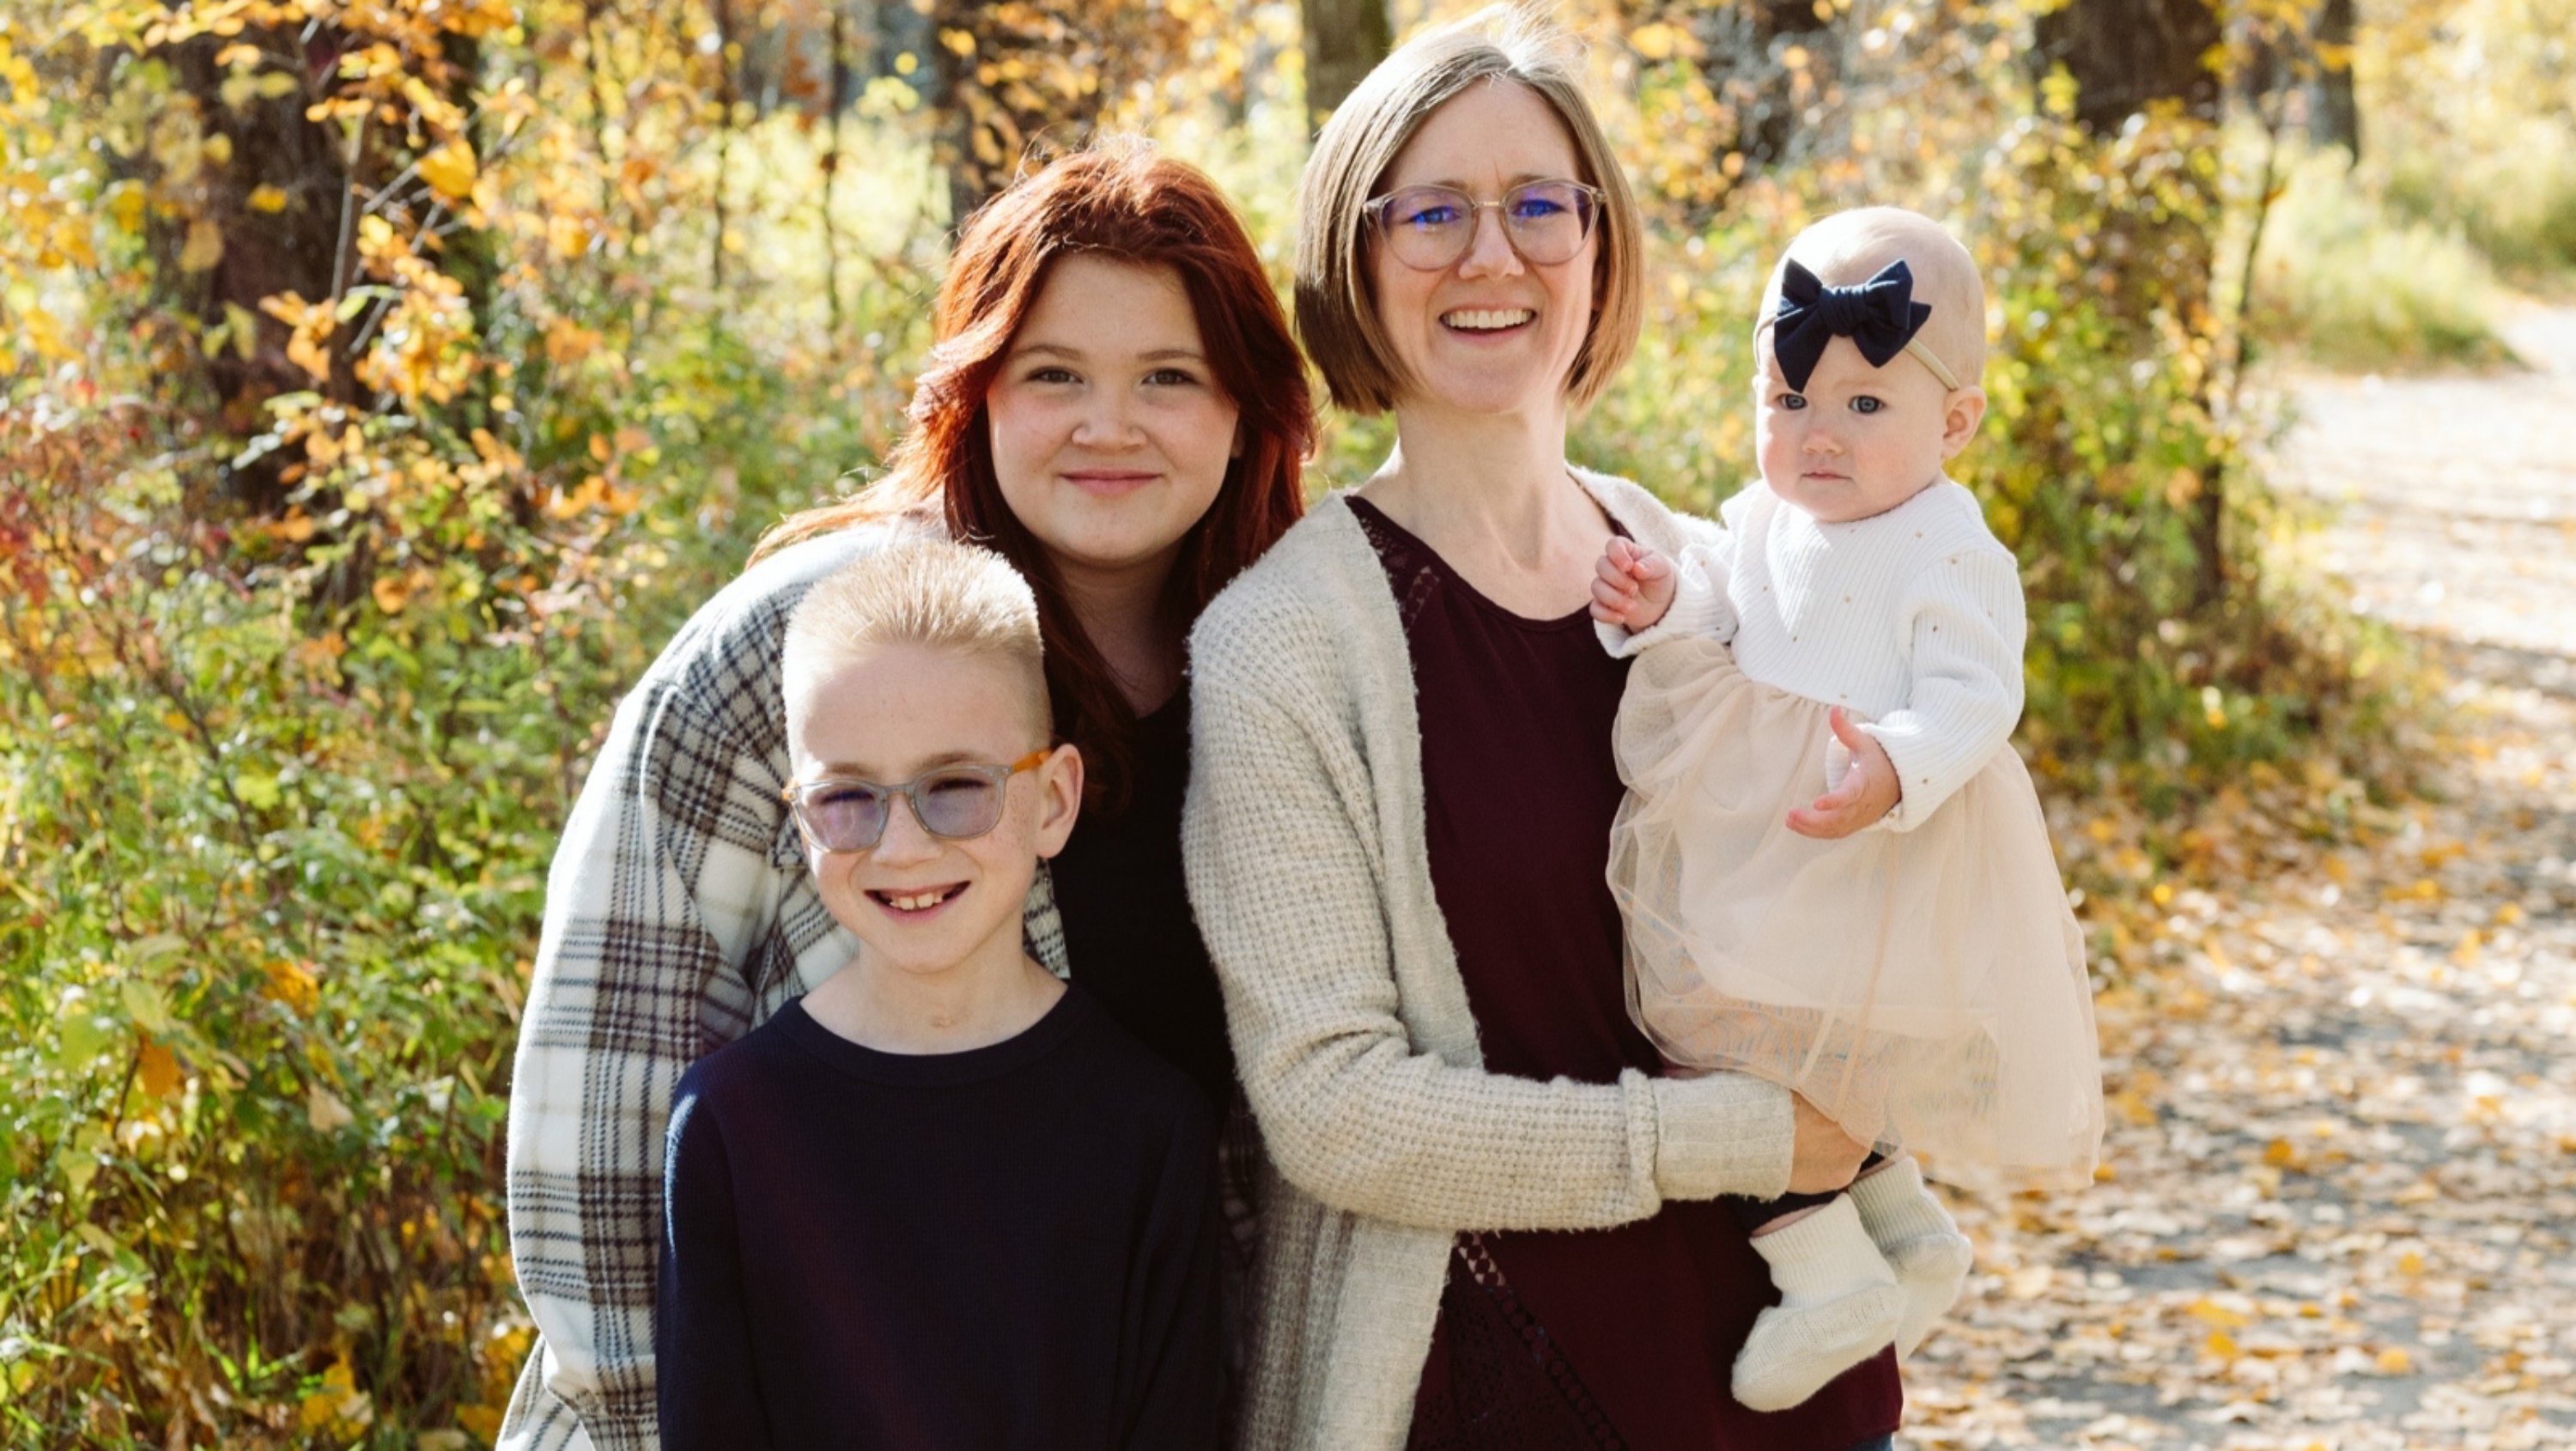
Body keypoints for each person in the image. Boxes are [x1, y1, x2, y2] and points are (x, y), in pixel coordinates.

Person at [497, 142, 1310, 1450]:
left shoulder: (1291, 673)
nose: (1111, 424)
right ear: (976, 394)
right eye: (1054, 375)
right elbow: (595, 1128)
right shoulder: (804, 647)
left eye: (1169, 375)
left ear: (1245, 408)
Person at [1182, 9, 1898, 1449]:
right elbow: (1335, 1110)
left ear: (1598, 243)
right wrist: (1740, 1140)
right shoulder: (1284, 645)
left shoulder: (1706, 568)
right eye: (1432, 211)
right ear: (1356, 252)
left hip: (1793, 1372)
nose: (1490, 256)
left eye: (1536, 207)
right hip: (1487, 1388)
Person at [1589, 206, 2105, 1411]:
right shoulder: (1763, 516)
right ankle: (1910, 1233)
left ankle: (1828, 1278)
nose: (1819, 435)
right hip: (1765, 843)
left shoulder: (1949, 542)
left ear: (1956, 422)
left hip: (1872, 849)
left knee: (1741, 1064)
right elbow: (1718, 609)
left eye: (1866, 406)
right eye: (1789, 401)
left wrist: (1895, 762)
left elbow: (1981, 693)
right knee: (1763, 1051)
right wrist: (1662, 593)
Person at [655, 538, 1221, 1447]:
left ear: (1054, 800)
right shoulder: (732, 1124)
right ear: (800, 817)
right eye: (849, 799)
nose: (904, 846)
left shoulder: (1150, 1126)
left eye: (956, 786)